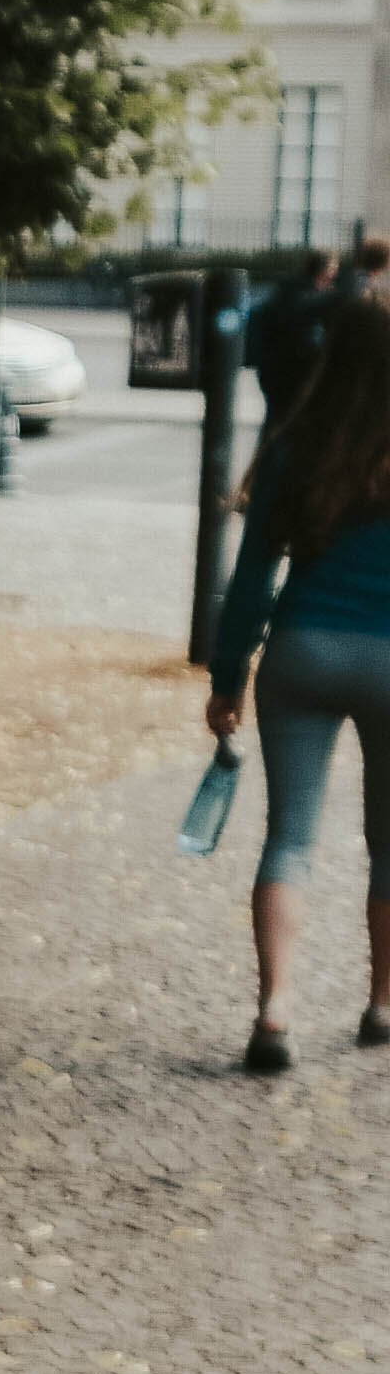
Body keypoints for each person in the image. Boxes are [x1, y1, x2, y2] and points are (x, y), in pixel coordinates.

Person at [199, 282, 390, 1075]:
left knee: (289, 838)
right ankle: (382, 1006)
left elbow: (250, 578)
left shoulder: (294, 445)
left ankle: (274, 1012)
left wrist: (227, 678)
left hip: (302, 653)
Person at [254, 246, 341, 423]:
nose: (335, 274)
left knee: (279, 418)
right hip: (291, 366)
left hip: (276, 365)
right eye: (333, 269)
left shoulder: (289, 289)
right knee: (288, 417)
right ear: (325, 271)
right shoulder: (308, 296)